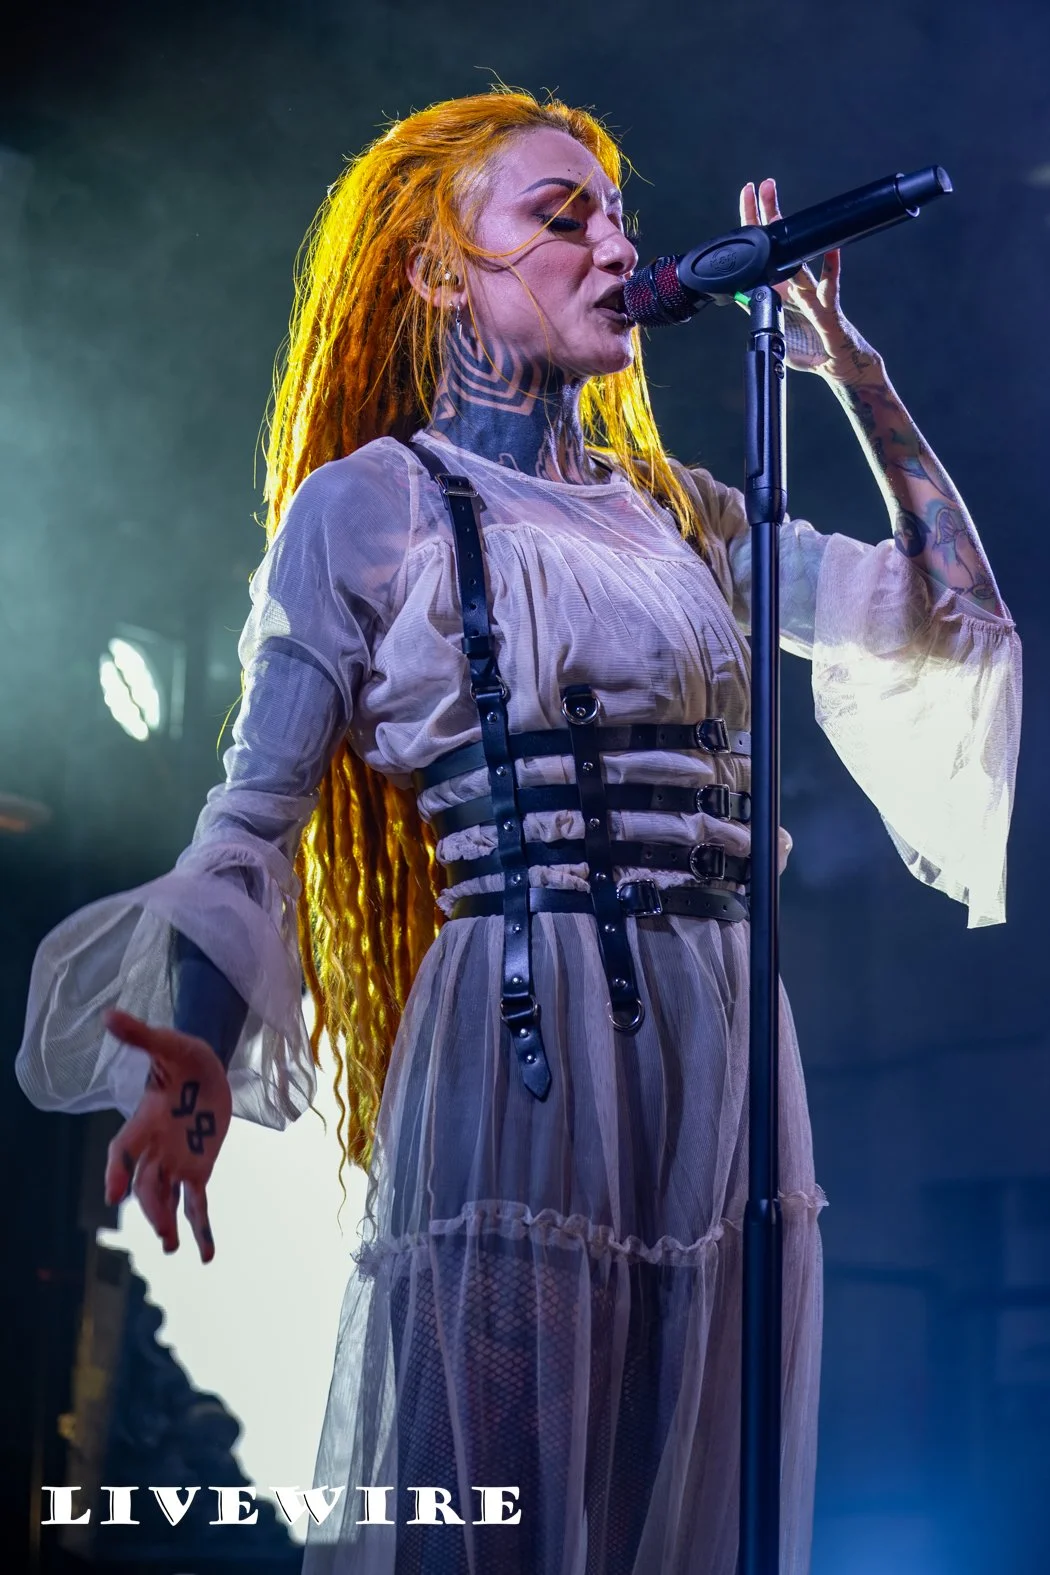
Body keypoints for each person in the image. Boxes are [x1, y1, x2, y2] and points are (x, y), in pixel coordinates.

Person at [16, 89, 1021, 1575]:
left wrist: (852, 376)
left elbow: (954, 621)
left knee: (687, 1487)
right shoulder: (372, 509)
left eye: (616, 216)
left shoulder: (683, 515)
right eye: (562, 217)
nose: (615, 247)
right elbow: (251, 820)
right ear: (439, 270)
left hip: (726, 1038)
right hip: (527, 1040)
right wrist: (197, 1044)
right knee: (503, 1495)